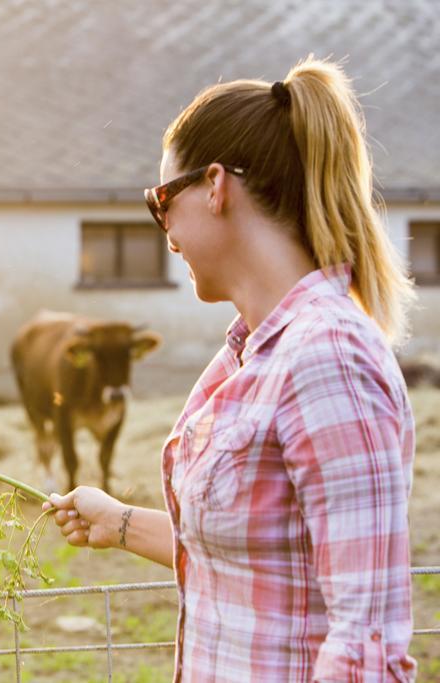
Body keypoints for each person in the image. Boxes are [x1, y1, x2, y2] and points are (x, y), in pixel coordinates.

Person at [44, 56, 418, 681]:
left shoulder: (329, 359)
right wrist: (122, 522)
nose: (164, 230)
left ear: (215, 186)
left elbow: (367, 647)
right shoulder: (252, 353)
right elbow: (257, 559)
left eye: (161, 200)